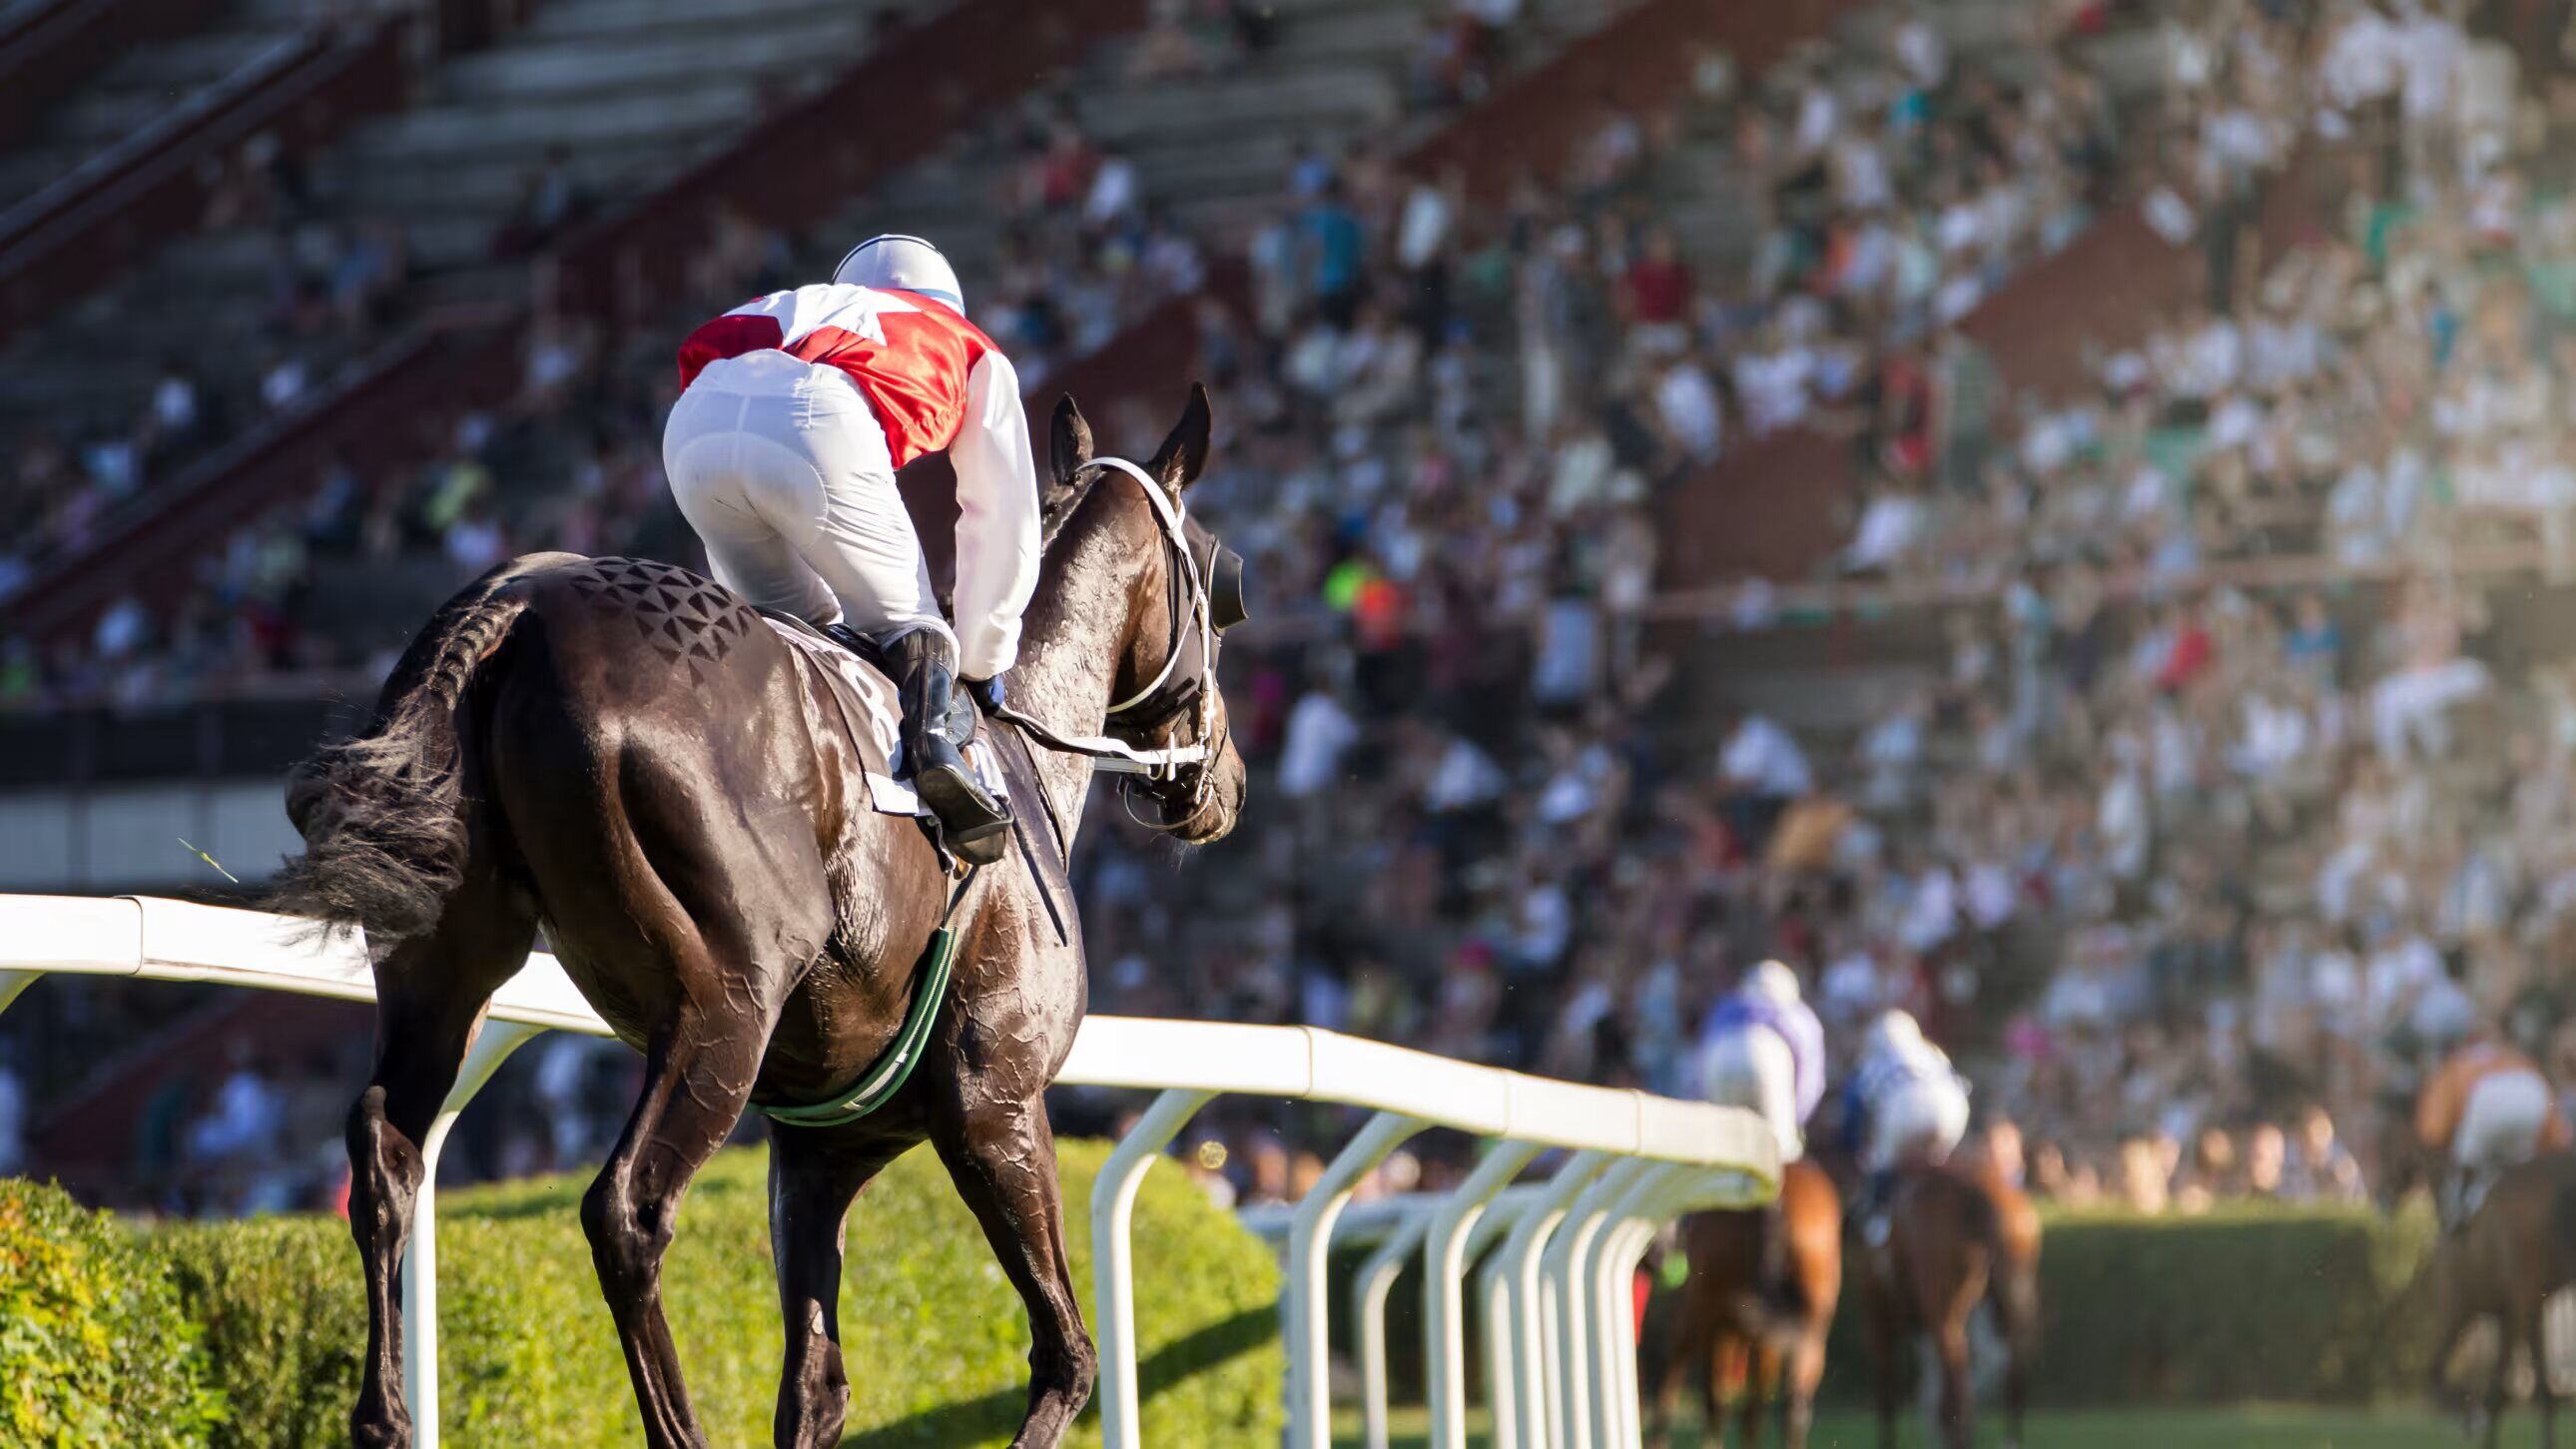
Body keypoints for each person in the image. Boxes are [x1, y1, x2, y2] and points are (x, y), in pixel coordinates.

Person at [663, 235, 1034, 848]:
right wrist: (980, 655)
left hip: (692, 428)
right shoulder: (965, 341)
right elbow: (1000, 514)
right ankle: (938, 757)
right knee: (911, 624)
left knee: (788, 631)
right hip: (814, 422)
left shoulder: (796, 300)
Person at [1842, 1009, 1971, 1243]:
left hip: (1904, 1109)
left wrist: (1855, 1146)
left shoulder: (1875, 1058)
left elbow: (1854, 1110)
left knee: (1880, 1166)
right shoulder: (1932, 1052)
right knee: (1941, 1163)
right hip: (1954, 1106)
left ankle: (1877, 1228)